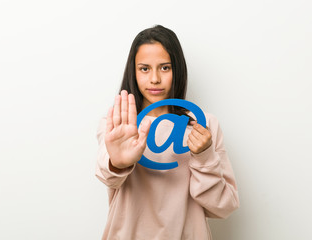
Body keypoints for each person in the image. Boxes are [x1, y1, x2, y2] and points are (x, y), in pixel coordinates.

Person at [95, 25, 239, 240]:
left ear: (178, 70)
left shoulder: (204, 125)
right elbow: (109, 178)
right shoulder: (119, 125)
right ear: (133, 72)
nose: (154, 79)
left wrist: (204, 156)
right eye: (144, 68)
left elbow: (224, 207)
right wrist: (117, 162)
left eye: (165, 68)